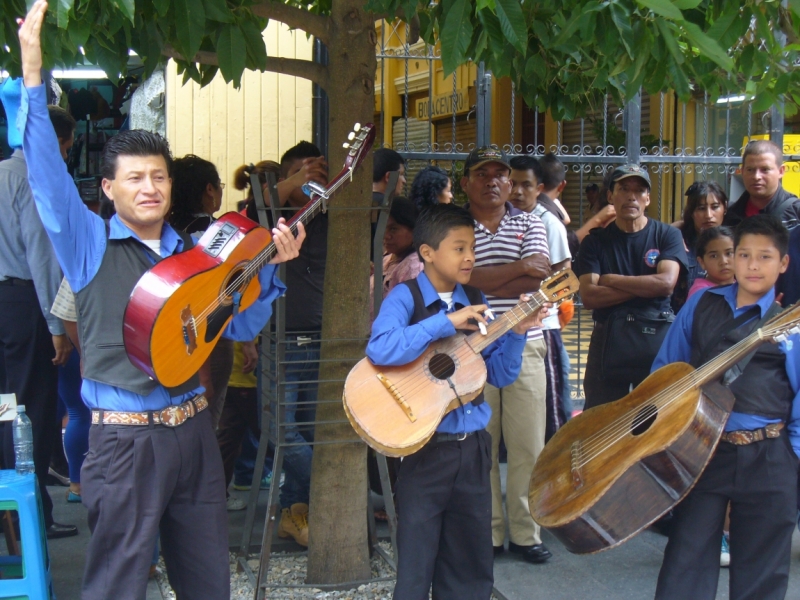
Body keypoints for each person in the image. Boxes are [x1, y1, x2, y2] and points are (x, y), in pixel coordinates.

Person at [16, 4, 305, 597]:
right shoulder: (88, 243)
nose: (149, 188)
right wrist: (32, 73)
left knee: (207, 581)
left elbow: (238, 323)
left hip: (195, 431)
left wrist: (271, 273)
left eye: (159, 177)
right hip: (125, 442)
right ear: (108, 188)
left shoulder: (197, 252)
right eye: (134, 178)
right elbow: (45, 176)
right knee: (119, 584)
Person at [366, 203, 545, 599]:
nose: (470, 258)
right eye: (459, 248)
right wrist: (444, 323)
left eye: (473, 249)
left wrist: (517, 332)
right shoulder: (405, 298)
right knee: (415, 566)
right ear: (427, 252)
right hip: (424, 451)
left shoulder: (477, 297)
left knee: (470, 567)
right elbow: (380, 348)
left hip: (473, 450)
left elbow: (497, 375)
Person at [652, 215, 799, 600]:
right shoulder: (702, 303)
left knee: (761, 571)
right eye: (744, 254)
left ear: (783, 263)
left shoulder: (791, 324)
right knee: (686, 558)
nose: (753, 265)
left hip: (768, 453)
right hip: (702, 448)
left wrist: (790, 460)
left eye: (765, 257)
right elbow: (666, 371)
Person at [461, 147, 553, 564]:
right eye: (483, 174)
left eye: (501, 175)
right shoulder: (455, 227)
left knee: (528, 444)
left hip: (524, 339)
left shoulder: (531, 222)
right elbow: (461, 281)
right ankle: (489, 532)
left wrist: (480, 276)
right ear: (466, 182)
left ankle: (526, 531)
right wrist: (515, 270)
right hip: (469, 345)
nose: (494, 181)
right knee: (482, 443)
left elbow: (539, 277)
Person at [0, 77, 77, 539]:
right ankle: (30, 517)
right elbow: (40, 252)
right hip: (26, 300)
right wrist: (57, 323)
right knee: (31, 410)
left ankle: (13, 514)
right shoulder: (34, 177)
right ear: (57, 143)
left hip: (5, 298)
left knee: (5, 406)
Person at [576, 164, 687, 409]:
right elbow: (590, 296)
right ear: (610, 196)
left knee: (653, 417)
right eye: (624, 189)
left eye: (639, 190)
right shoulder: (595, 242)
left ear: (647, 198)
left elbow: (666, 283)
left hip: (654, 337)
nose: (631, 196)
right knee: (599, 417)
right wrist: (647, 285)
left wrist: (610, 279)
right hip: (608, 340)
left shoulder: (667, 235)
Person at [509, 155, 571, 440]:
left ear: (540, 188)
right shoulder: (501, 219)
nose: (517, 192)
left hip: (541, 330)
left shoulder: (549, 224)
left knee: (551, 405)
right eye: (512, 183)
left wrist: (538, 305)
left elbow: (564, 278)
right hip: (504, 328)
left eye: (526, 185)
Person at [169, 154, 233, 431]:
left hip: (168, 338)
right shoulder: (219, 233)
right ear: (209, 189)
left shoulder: (166, 232)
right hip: (212, 335)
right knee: (207, 420)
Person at [49, 277, 90, 503]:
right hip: (67, 332)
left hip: (57, 330)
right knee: (80, 411)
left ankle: (77, 483)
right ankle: (78, 484)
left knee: (75, 411)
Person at [724, 139, 800, 230]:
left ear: (781, 171)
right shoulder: (730, 214)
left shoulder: (796, 213)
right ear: (742, 171)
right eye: (750, 170)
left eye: (765, 169)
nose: (756, 177)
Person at [676, 181, 729, 295]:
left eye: (715, 207)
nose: (709, 215)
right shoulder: (680, 242)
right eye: (701, 208)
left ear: (725, 207)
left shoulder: (733, 242)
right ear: (691, 212)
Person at [687, 226, 735, 298]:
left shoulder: (744, 287)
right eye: (714, 256)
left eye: (729, 253)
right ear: (702, 262)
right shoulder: (701, 292)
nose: (723, 261)